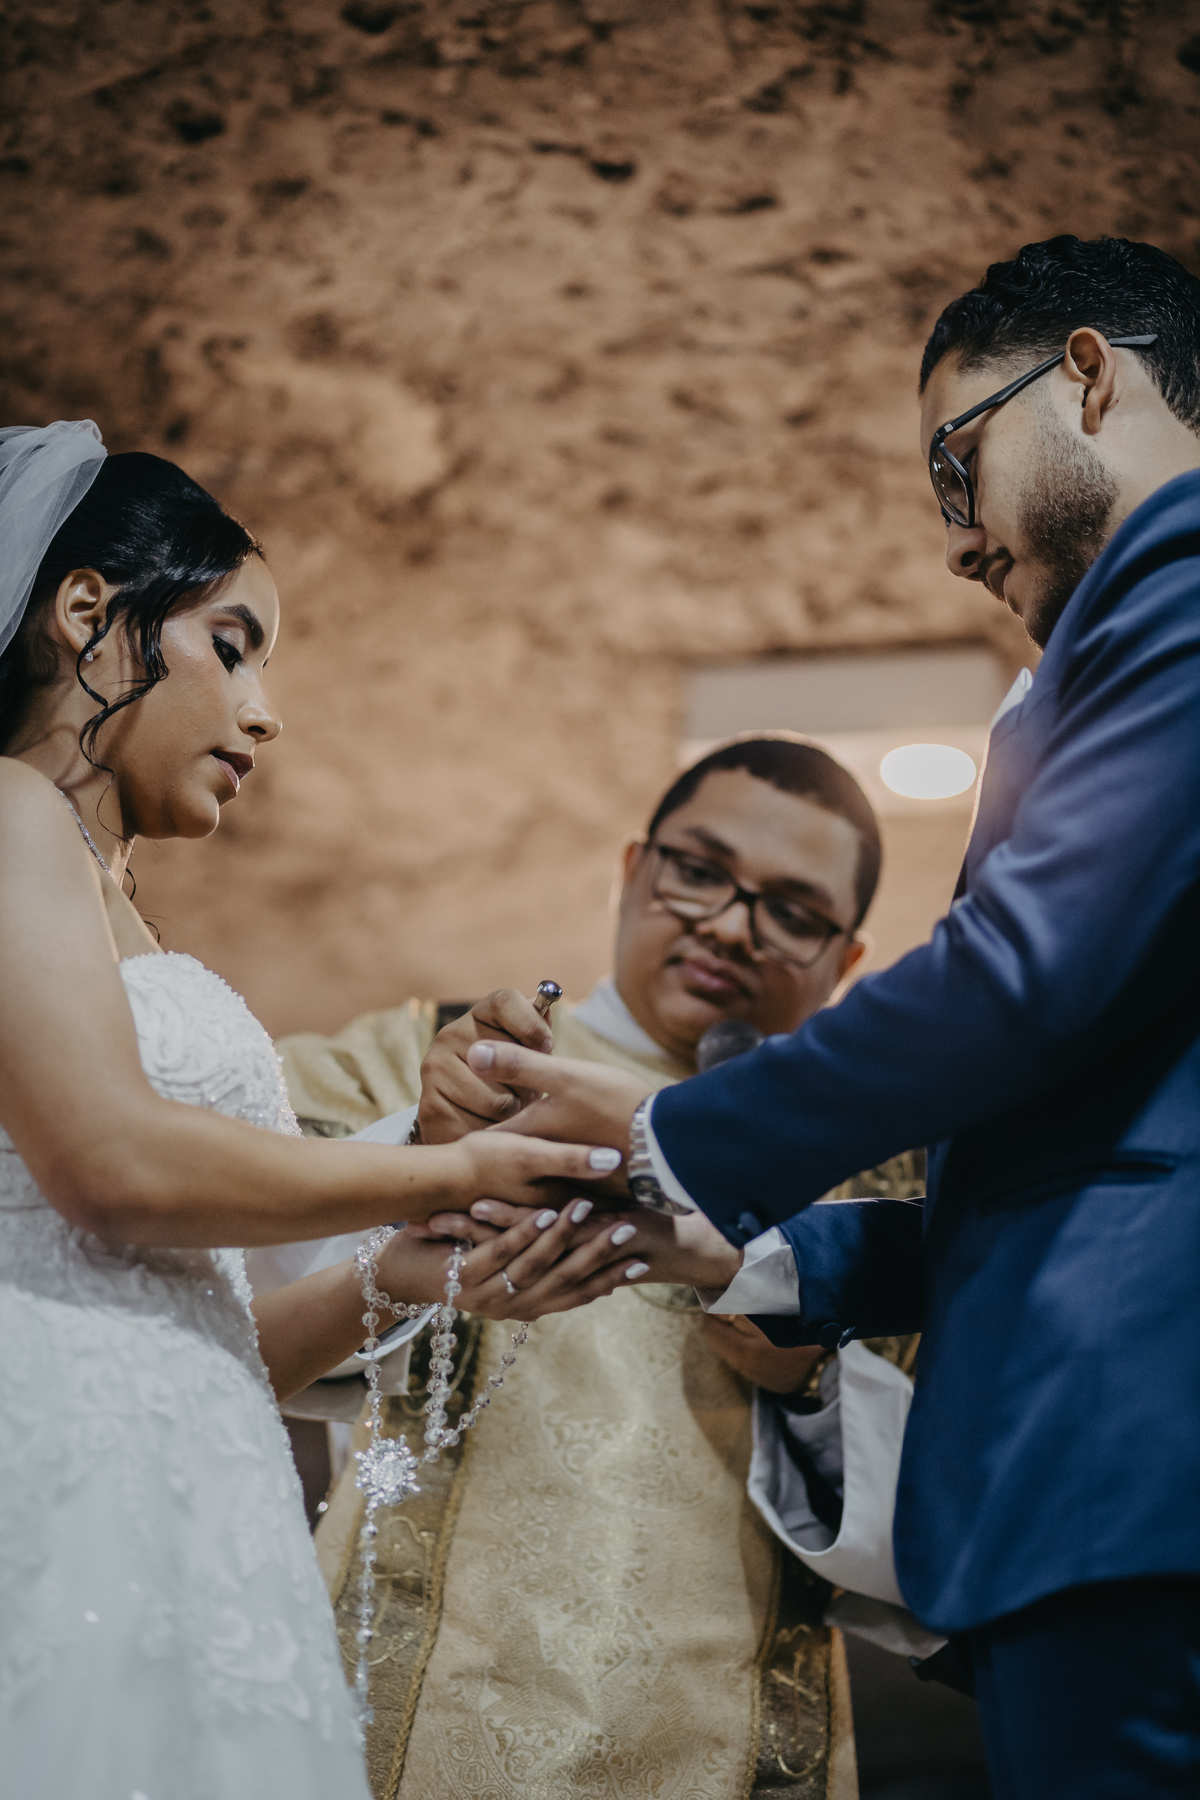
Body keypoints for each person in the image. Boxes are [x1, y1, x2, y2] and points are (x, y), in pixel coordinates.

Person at [461, 235, 1200, 1797]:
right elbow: (1087, 1156)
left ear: (1088, 374)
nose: (956, 540)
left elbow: (1019, 973)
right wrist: (756, 1253)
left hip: (1130, 1460)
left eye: (956, 463)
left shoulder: (1183, 579)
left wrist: (673, 1132)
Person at [0, 423, 622, 1800]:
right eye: (234, 646)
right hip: (52, 1477)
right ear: (88, 613)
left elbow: (213, 1337)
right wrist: (454, 1169)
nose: (265, 712)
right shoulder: (5, 814)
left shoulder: (123, 916)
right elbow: (109, 1162)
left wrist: (402, 1273)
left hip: (194, 1497)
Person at [276, 736, 933, 1800]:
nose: (730, 925)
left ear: (846, 959)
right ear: (633, 869)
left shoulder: (879, 1176)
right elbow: (222, 1299)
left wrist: (810, 1379)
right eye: (700, 871)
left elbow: (938, 1537)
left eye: (793, 911)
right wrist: (424, 1156)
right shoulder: (433, 1061)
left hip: (727, 1742)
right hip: (416, 1716)